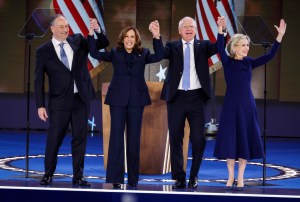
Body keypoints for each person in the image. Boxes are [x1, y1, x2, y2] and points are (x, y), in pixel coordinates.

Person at [34, 14, 109, 186]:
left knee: (80, 138)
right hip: (59, 101)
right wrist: (40, 105)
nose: (65, 29)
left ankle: (78, 176)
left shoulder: (79, 41)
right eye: (61, 26)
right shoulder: (43, 51)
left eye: (66, 26)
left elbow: (103, 44)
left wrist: (96, 31)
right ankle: (48, 174)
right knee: (55, 138)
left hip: (80, 99)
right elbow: (38, 80)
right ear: (52, 29)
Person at [88, 20, 164, 189]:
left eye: (132, 36)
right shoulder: (115, 52)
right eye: (127, 36)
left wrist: (156, 35)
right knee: (116, 138)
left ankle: (133, 179)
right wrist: (92, 32)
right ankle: (115, 178)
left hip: (137, 101)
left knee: (134, 139)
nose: (129, 39)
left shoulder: (143, 53)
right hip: (117, 101)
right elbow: (94, 52)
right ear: (122, 39)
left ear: (136, 39)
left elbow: (159, 55)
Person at [213, 18, 287, 190]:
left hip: (247, 106)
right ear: (235, 47)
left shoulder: (249, 62)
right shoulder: (228, 62)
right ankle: (230, 177)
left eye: (247, 45)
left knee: (244, 140)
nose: (247, 48)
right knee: (231, 142)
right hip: (231, 106)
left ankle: (240, 177)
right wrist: (220, 30)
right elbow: (219, 47)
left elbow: (269, 56)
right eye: (243, 45)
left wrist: (280, 37)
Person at [161, 16, 226, 189]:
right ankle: (179, 177)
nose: (189, 29)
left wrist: (221, 30)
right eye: (185, 27)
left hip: (197, 97)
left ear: (196, 30)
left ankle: (194, 175)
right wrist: (155, 35)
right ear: (179, 30)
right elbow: (160, 53)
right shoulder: (172, 46)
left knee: (198, 140)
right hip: (176, 98)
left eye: (192, 26)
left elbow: (220, 46)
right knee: (175, 138)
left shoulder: (203, 46)